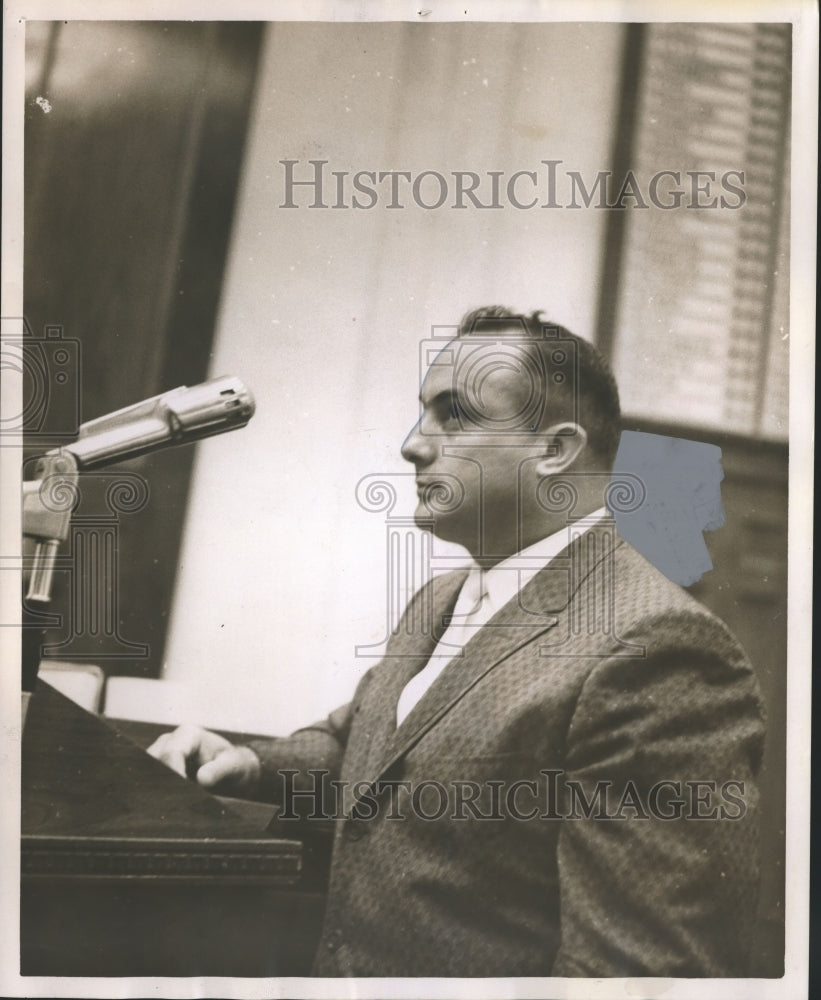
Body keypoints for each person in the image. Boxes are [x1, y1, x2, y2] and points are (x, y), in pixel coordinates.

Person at [149, 306, 765, 978]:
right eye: (423, 413)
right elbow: (361, 748)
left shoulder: (653, 647)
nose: (413, 444)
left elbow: (638, 975)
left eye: (455, 415)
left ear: (554, 451)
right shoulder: (441, 597)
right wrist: (253, 766)